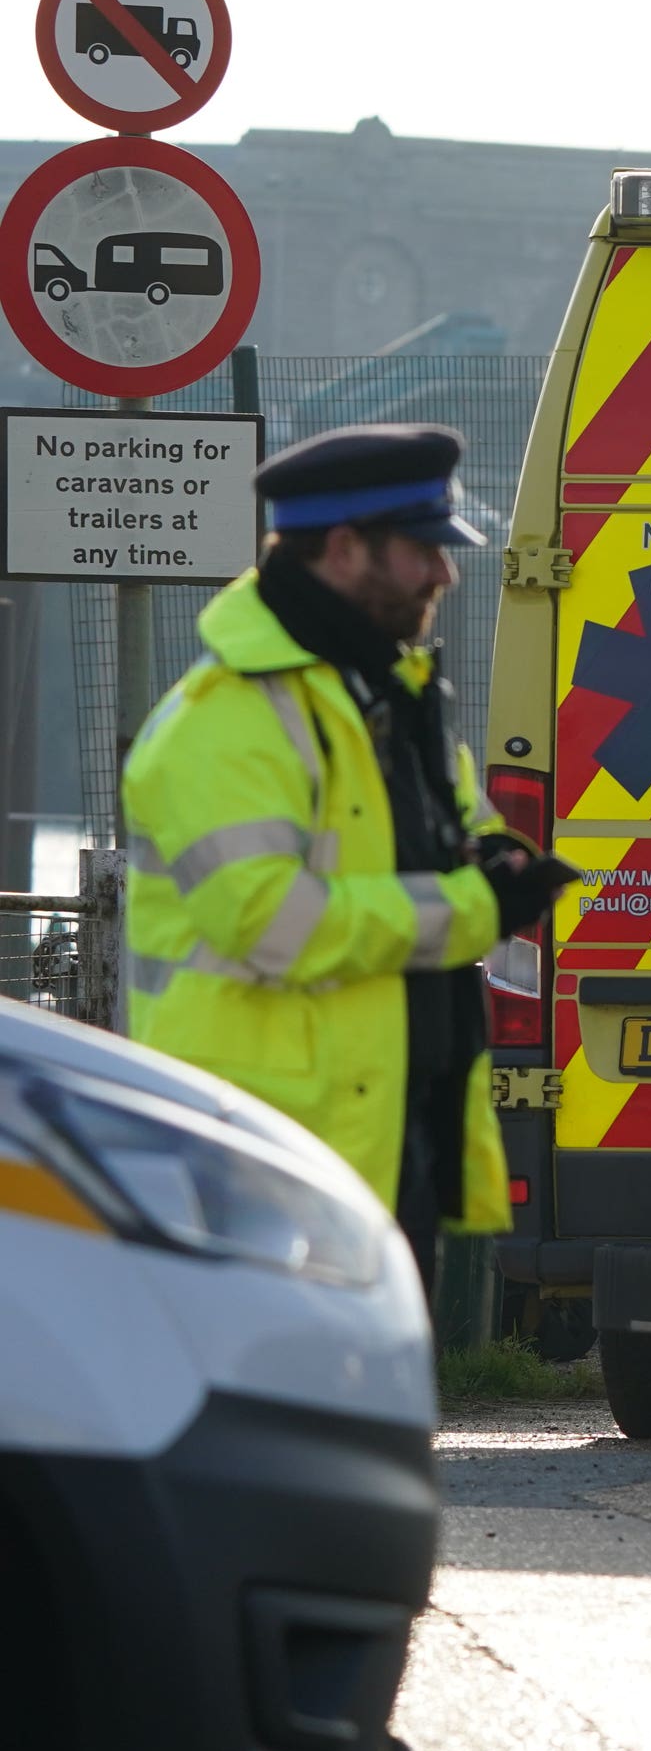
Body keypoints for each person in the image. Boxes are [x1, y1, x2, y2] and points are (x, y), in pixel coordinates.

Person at [122, 424, 578, 1305]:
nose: (444, 575)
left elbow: (456, 841)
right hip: (260, 1157)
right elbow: (270, 923)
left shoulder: (385, 696)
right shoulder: (225, 722)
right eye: (423, 551)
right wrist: (477, 906)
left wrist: (498, 866)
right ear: (342, 548)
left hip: (370, 1134)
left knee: (361, 1429)